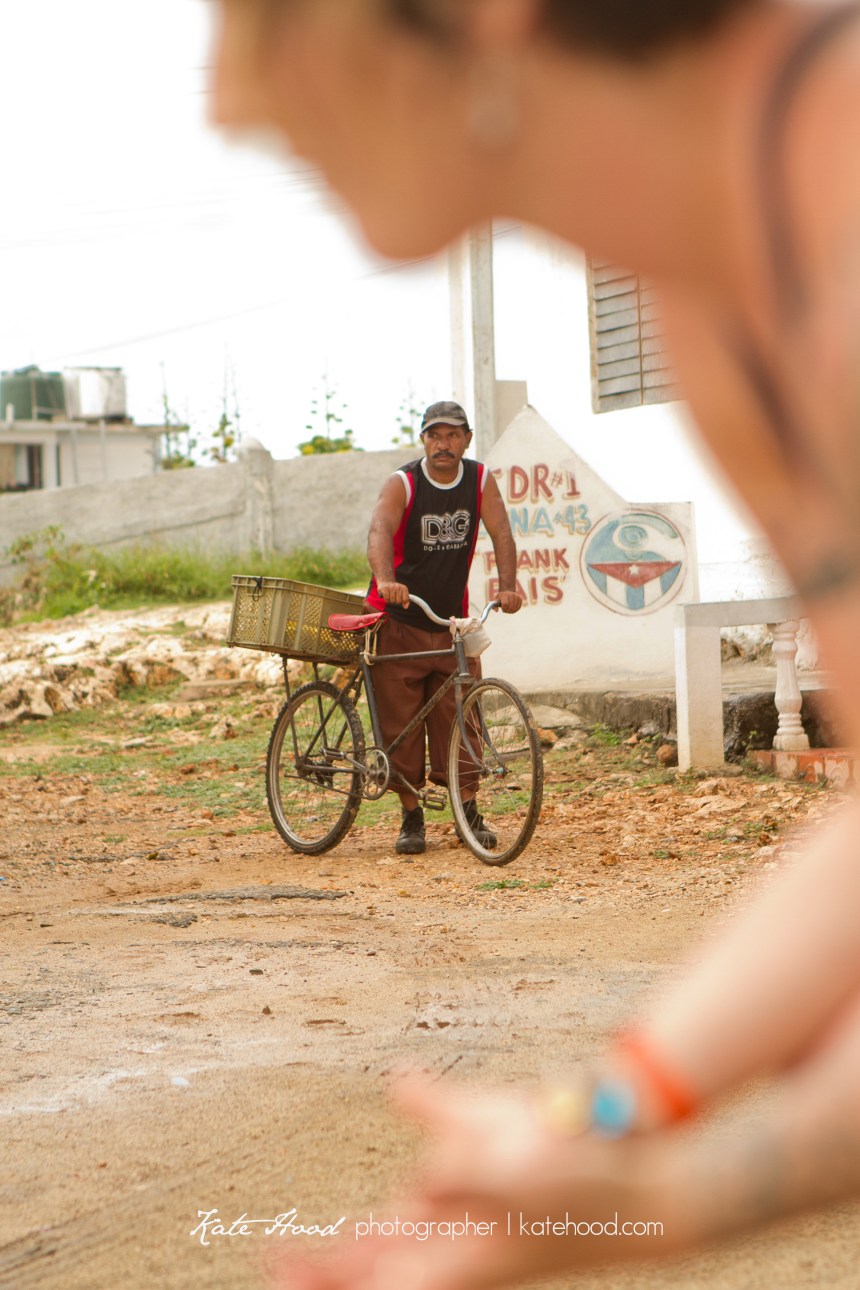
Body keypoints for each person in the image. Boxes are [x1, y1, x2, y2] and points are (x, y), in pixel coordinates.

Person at [210, 0, 860, 1284]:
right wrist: (597, 1127)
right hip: (403, 610)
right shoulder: (715, 308)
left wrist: (656, 1191)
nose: (228, 101)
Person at [364, 399, 522, 855]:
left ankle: (467, 809)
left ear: (467, 439)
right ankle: (411, 816)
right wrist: (386, 581)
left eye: (452, 435)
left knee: (461, 716)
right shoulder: (404, 482)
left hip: (451, 621)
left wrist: (507, 587)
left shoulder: (478, 480)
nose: (443, 444)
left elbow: (502, 532)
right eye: (434, 435)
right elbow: (379, 529)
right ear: (424, 441)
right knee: (402, 725)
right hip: (401, 619)